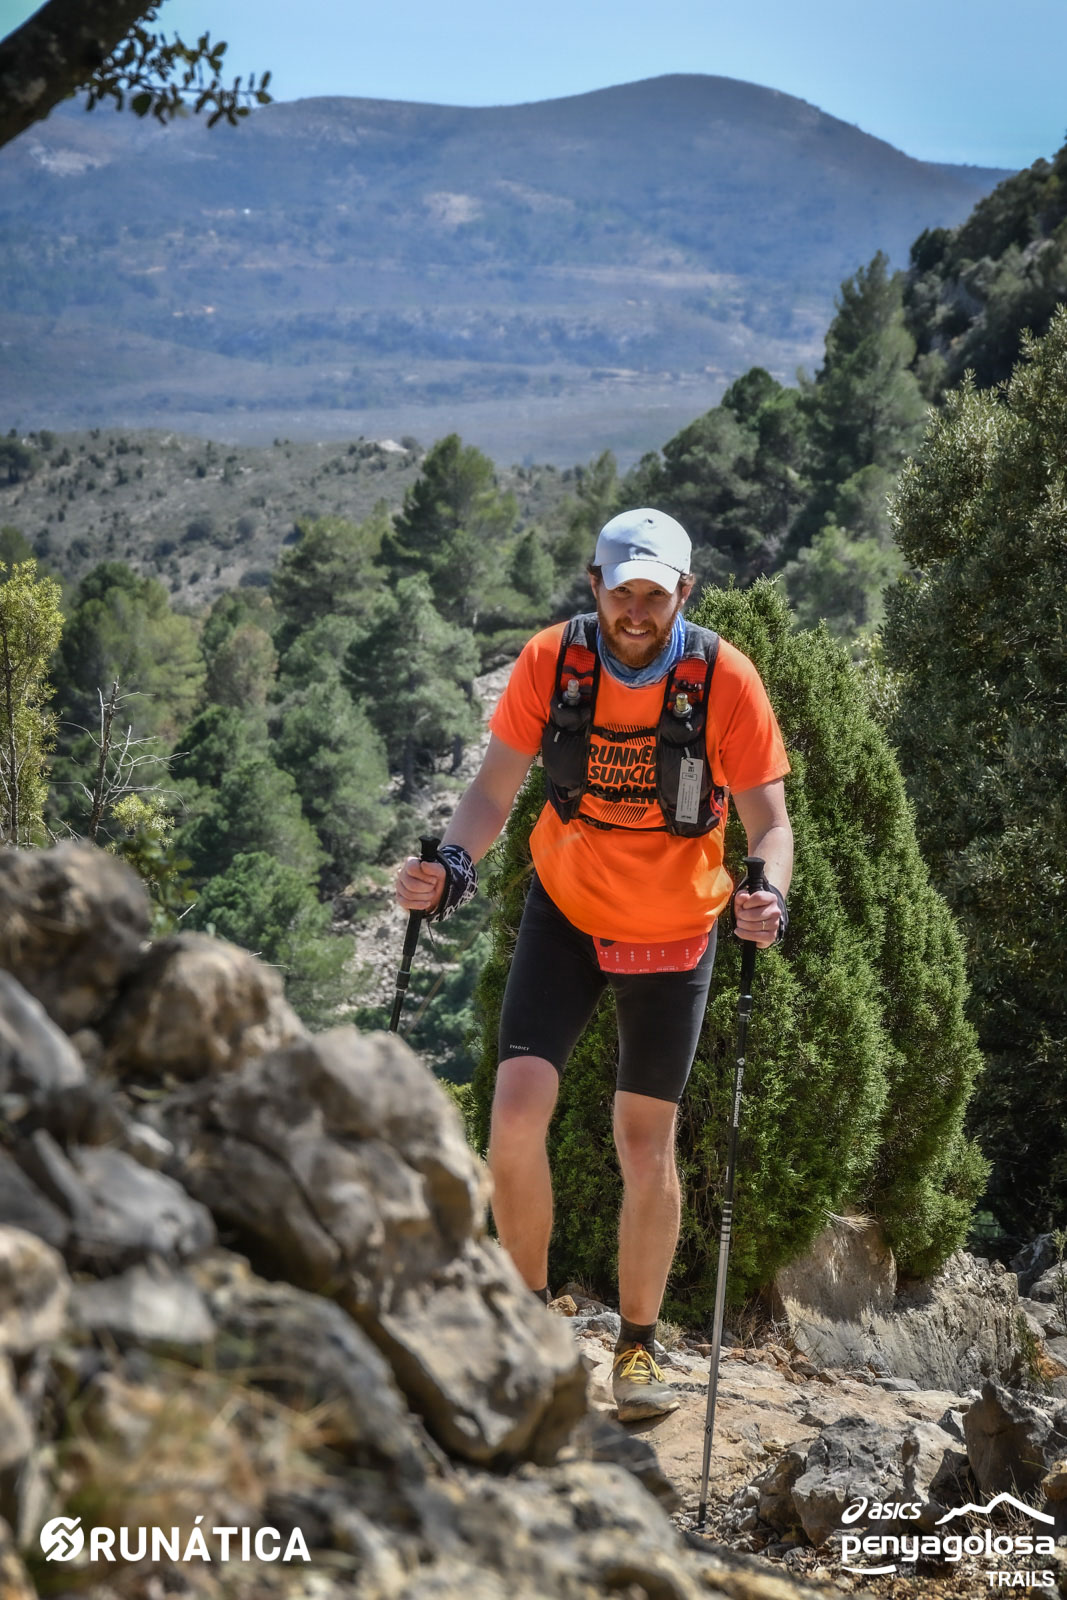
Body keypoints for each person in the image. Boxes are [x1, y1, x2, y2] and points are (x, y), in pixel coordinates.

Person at [395, 507, 792, 1422]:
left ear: (684, 592)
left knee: (643, 1143)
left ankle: (638, 1349)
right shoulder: (553, 661)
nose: (636, 612)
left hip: (675, 931)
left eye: (655, 595)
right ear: (594, 586)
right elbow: (492, 791)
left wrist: (766, 892)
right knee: (513, 1115)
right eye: (622, 594)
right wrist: (450, 867)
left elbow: (769, 824)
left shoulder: (723, 678)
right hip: (567, 912)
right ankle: (529, 1329)